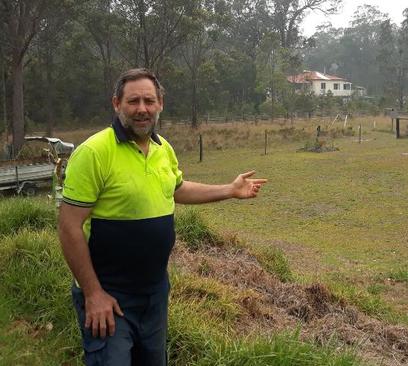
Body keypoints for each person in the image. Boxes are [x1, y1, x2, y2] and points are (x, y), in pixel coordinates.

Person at [58, 68, 267, 365]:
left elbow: (177, 189)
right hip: (109, 295)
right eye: (133, 101)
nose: (142, 109)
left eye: (149, 101)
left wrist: (230, 190)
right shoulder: (93, 152)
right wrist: (93, 293)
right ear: (116, 103)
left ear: (160, 105)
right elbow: (69, 226)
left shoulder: (162, 148)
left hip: (155, 292)